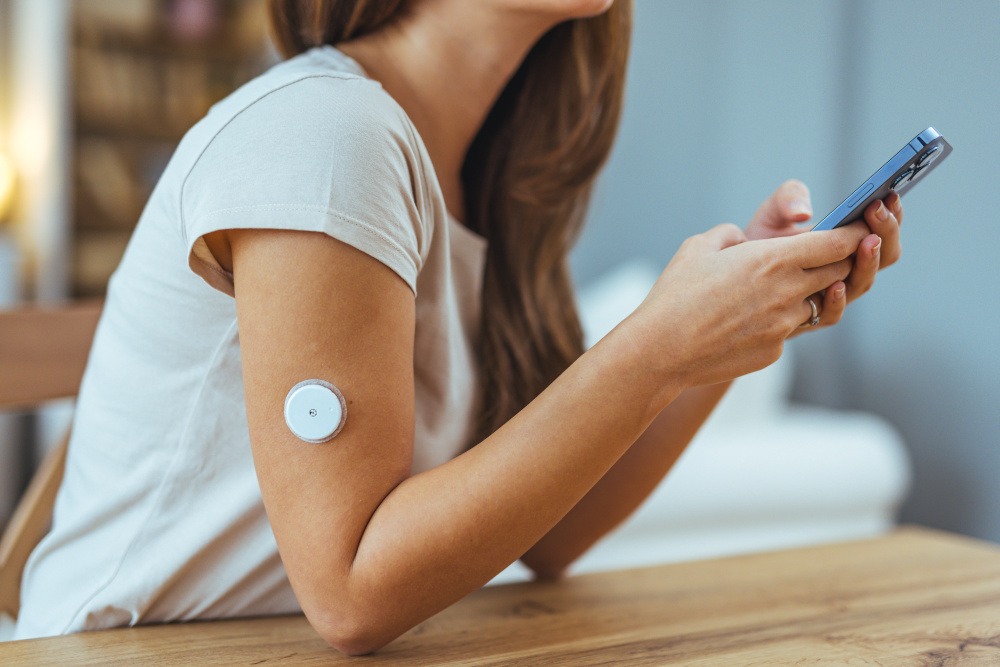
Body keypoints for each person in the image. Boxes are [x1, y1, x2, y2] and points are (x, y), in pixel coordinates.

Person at [14, 0, 903, 655]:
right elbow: (351, 588)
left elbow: (548, 533)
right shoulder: (325, 134)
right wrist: (654, 344)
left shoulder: (480, 176)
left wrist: (721, 340)